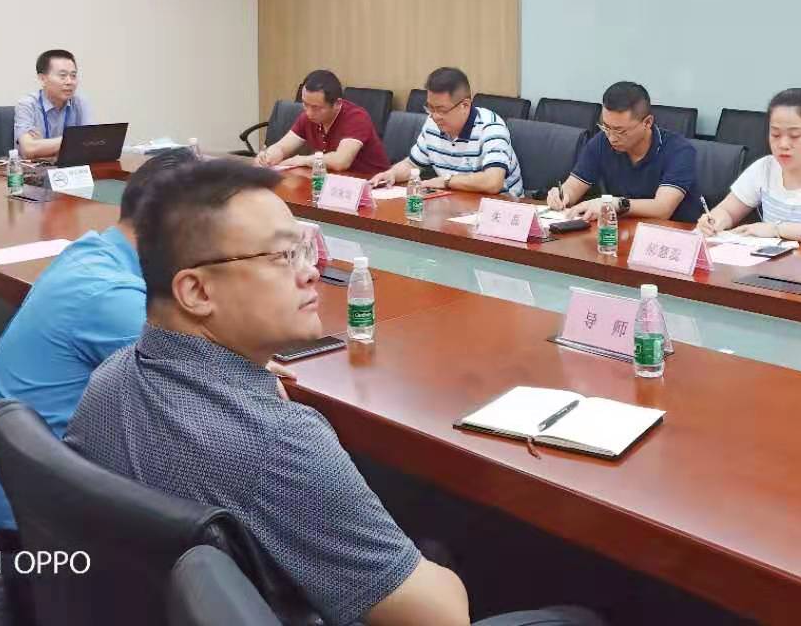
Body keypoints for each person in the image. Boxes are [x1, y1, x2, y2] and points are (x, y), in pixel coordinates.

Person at [66, 161, 598, 626]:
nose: (312, 271)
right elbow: (442, 616)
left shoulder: (110, 380)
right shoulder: (277, 443)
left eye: (304, 248)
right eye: (283, 257)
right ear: (196, 291)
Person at [0, 147, 195, 543]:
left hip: (31, 490)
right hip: (47, 527)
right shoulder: (111, 296)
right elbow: (207, 392)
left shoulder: (92, 251)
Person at [696, 87, 801, 248]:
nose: (783, 144)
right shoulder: (764, 167)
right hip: (771, 261)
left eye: (795, 136)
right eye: (775, 134)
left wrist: (776, 229)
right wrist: (714, 221)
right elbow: (728, 211)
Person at [547, 82, 700, 223]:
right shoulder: (601, 141)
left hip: (670, 233)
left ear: (647, 122)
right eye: (606, 127)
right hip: (621, 230)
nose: (611, 137)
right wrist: (562, 195)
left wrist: (617, 204)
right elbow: (573, 187)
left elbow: (663, 208)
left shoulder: (679, 151)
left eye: (620, 131)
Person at [370, 67, 523, 196]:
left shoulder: (490, 127)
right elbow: (412, 165)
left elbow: (493, 182)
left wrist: (446, 181)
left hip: (499, 208)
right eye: (430, 108)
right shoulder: (432, 123)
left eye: (441, 110)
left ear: (465, 105)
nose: (435, 116)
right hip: (455, 203)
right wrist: (391, 174)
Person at [255, 68, 390, 177]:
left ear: (337, 103)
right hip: (334, 183)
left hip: (372, 186)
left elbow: (340, 161)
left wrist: (302, 160)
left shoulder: (356, 117)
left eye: (316, 108)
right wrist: (268, 156)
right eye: (305, 104)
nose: (309, 113)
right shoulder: (308, 117)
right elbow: (282, 147)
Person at [14, 48, 95, 160]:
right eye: (62, 76)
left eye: (73, 76)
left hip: (70, 167)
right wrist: (77, 141)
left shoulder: (79, 102)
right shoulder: (27, 104)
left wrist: (42, 146)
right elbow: (29, 149)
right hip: (35, 169)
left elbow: (91, 143)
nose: (69, 82)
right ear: (42, 79)